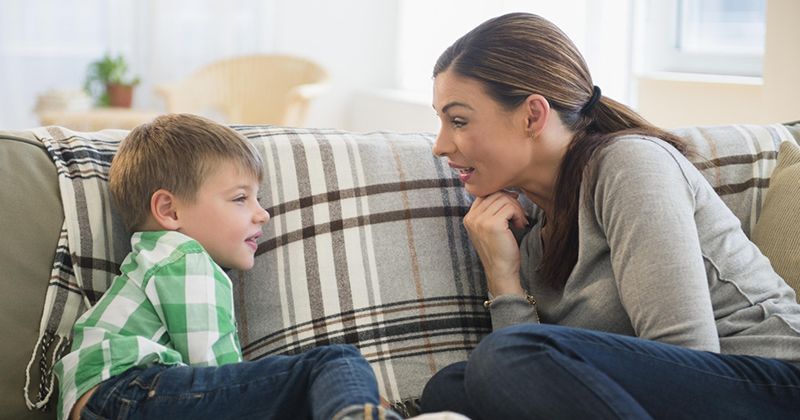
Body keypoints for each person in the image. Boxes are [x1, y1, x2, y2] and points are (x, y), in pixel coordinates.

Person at [420, 12, 800, 420]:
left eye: (458, 121)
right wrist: (503, 277)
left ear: (533, 115)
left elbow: (684, 356)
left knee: (506, 356)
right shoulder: (527, 230)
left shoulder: (629, 163)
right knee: (451, 387)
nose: (440, 146)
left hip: (771, 385)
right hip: (669, 395)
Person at [53, 114, 400, 420]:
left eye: (258, 198)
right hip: (127, 391)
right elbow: (215, 367)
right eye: (240, 198)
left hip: (109, 400)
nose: (262, 213)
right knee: (337, 362)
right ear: (170, 211)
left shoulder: (152, 258)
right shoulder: (184, 257)